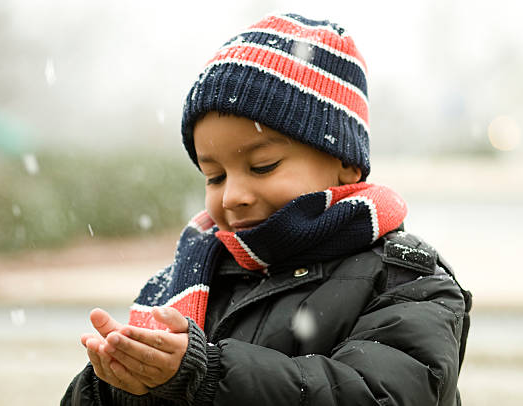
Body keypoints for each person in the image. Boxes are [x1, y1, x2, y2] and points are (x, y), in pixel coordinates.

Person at [62, 12, 471, 406]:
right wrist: (121, 379)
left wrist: (204, 377)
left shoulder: (407, 282)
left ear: (345, 164)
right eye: (215, 176)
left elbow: (378, 394)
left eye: (262, 166)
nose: (231, 196)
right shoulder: (192, 280)